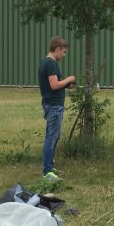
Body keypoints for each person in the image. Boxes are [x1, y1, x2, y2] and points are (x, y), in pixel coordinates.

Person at [38, 36, 76, 181]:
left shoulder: (46, 62)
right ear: (58, 49)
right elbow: (54, 85)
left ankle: (50, 166)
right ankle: (47, 172)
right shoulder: (51, 63)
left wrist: (65, 84)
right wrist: (69, 79)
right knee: (51, 138)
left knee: (55, 136)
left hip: (52, 104)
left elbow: (53, 84)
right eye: (64, 52)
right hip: (54, 106)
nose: (64, 55)